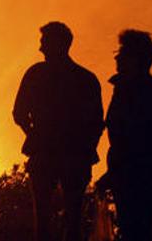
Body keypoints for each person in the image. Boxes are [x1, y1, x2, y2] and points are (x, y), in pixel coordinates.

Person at [12, 21, 104, 241]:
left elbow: (19, 113)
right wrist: (86, 148)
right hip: (76, 157)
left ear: (58, 44)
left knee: (42, 221)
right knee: (74, 221)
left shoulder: (36, 74)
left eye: (44, 42)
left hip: (45, 154)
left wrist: (33, 134)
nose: (40, 48)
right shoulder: (86, 79)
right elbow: (97, 123)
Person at [98, 29, 152, 241]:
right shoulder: (136, 88)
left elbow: (138, 140)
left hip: (140, 178)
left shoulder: (144, 91)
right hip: (134, 176)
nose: (117, 56)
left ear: (136, 58)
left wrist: (114, 172)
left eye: (122, 52)